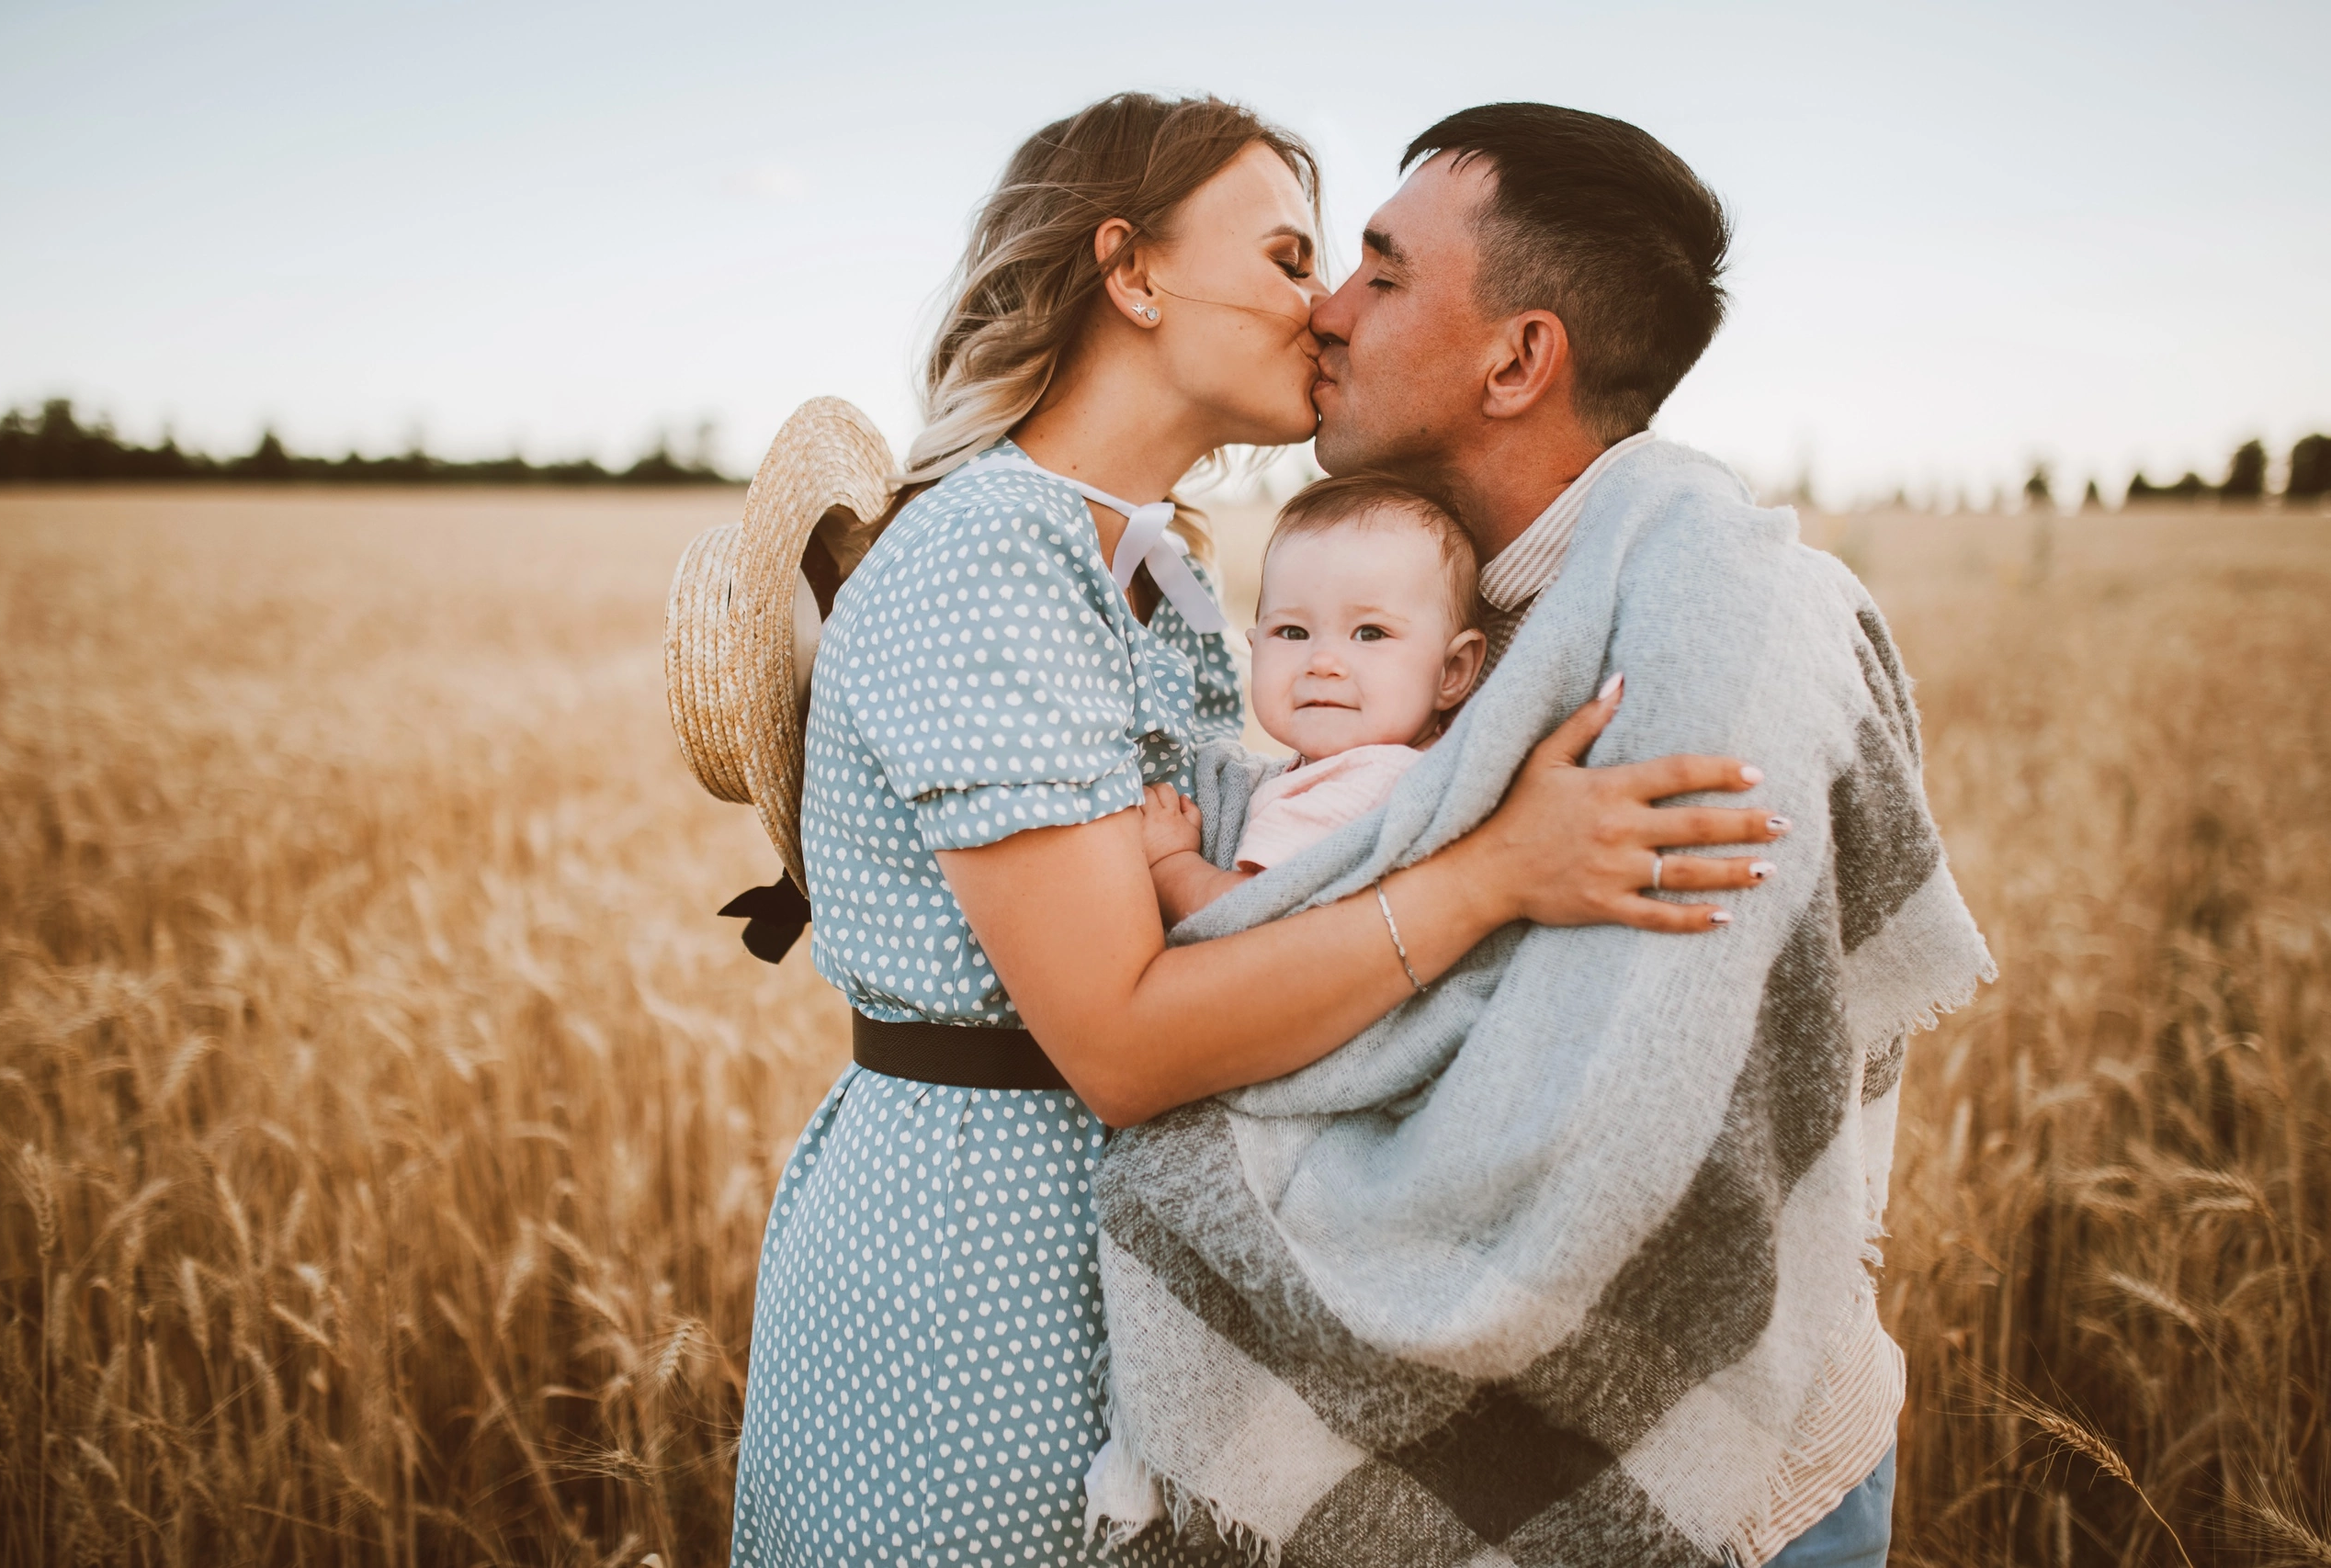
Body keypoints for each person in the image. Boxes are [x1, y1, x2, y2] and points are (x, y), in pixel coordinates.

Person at [726, 93, 1785, 1568]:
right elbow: (1125, 1035)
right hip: (975, 1273)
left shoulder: (1162, 574)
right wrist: (1494, 873)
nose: (1327, 307)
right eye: (1292, 257)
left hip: (1137, 1264)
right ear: (1134, 272)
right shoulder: (988, 550)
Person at [1085, 104, 1960, 1568]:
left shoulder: (1721, 634)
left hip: (1741, 1494)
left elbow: (1647, 1121)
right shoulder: (1431, 622)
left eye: (1378, 268)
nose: (1327, 309)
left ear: (1516, 357)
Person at [1138, 474, 1499, 923]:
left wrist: (1168, 861)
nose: (1323, 661)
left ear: (1454, 671)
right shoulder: (1414, 768)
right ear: (1254, 648)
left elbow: (1246, 924)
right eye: (1292, 632)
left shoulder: (1359, 785)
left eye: (1370, 633)